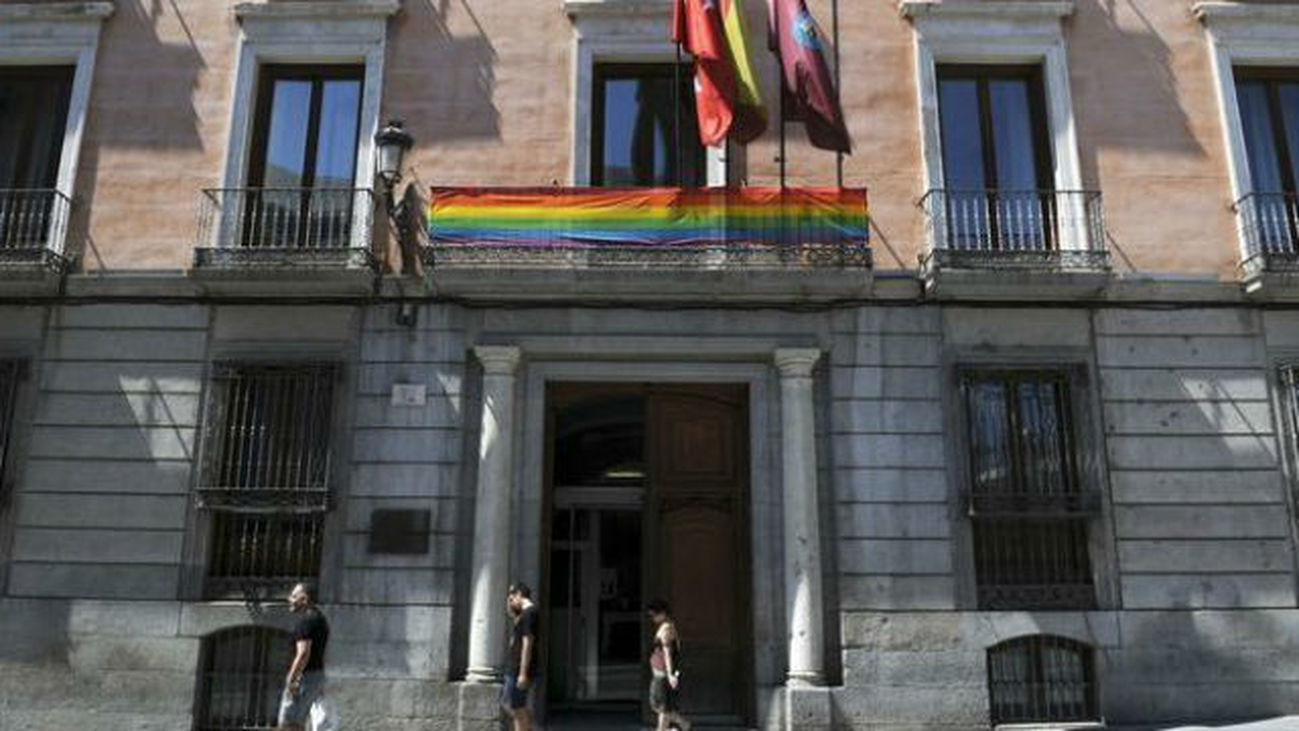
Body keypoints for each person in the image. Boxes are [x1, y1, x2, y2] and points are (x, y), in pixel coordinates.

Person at [277, 581, 330, 731]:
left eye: (294, 596)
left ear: (304, 599)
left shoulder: (306, 622)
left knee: (288, 724)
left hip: (303, 679)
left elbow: (303, 653)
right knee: (297, 723)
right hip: (315, 676)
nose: (289, 599)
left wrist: (291, 679)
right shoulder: (321, 620)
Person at [647, 598, 691, 731]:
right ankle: (683, 725)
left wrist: (671, 674)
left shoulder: (666, 629)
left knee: (663, 708)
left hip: (663, 674)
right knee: (659, 705)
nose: (652, 618)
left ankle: (674, 727)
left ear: (663, 613)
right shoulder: (664, 627)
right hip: (659, 673)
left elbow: (667, 653)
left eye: (654, 614)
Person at [504, 582, 539, 731]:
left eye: (512, 597)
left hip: (518, 668)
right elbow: (513, 615)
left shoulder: (529, 613)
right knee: (513, 705)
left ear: (519, 594)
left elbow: (527, 642)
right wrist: (510, 606)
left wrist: (523, 673)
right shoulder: (524, 614)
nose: (510, 600)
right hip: (514, 667)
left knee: (516, 707)